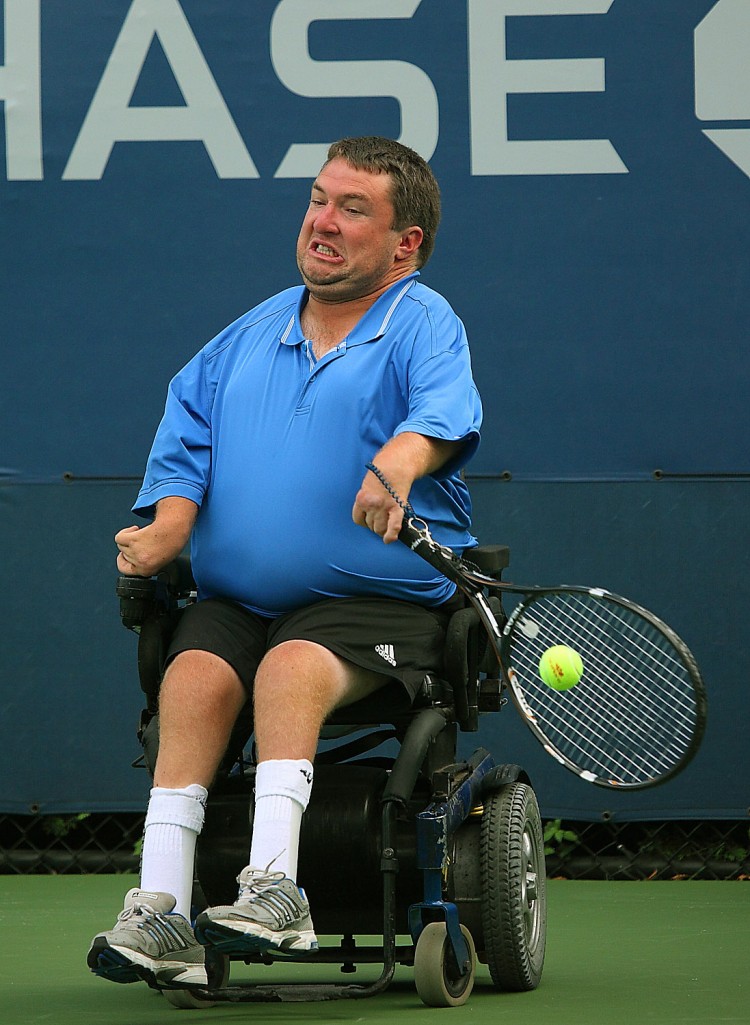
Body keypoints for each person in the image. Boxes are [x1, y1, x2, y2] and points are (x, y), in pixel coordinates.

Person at [87, 136, 482, 990]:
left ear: (405, 242)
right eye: (317, 199)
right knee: (191, 678)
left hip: (376, 600)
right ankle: (160, 907)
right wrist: (169, 524)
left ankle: (275, 890)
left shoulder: (423, 322)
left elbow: (443, 413)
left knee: (290, 666)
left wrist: (398, 461)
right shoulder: (248, 333)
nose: (322, 222)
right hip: (238, 601)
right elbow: (188, 432)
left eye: (352, 208)